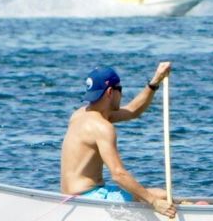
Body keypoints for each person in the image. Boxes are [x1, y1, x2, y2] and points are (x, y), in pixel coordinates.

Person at [60, 62, 176, 218]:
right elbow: (118, 175)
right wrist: (154, 202)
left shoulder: (80, 115)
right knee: (161, 196)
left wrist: (155, 82)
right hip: (89, 198)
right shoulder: (102, 128)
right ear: (110, 92)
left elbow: (132, 111)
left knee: (154, 195)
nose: (121, 94)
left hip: (69, 199)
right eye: (120, 89)